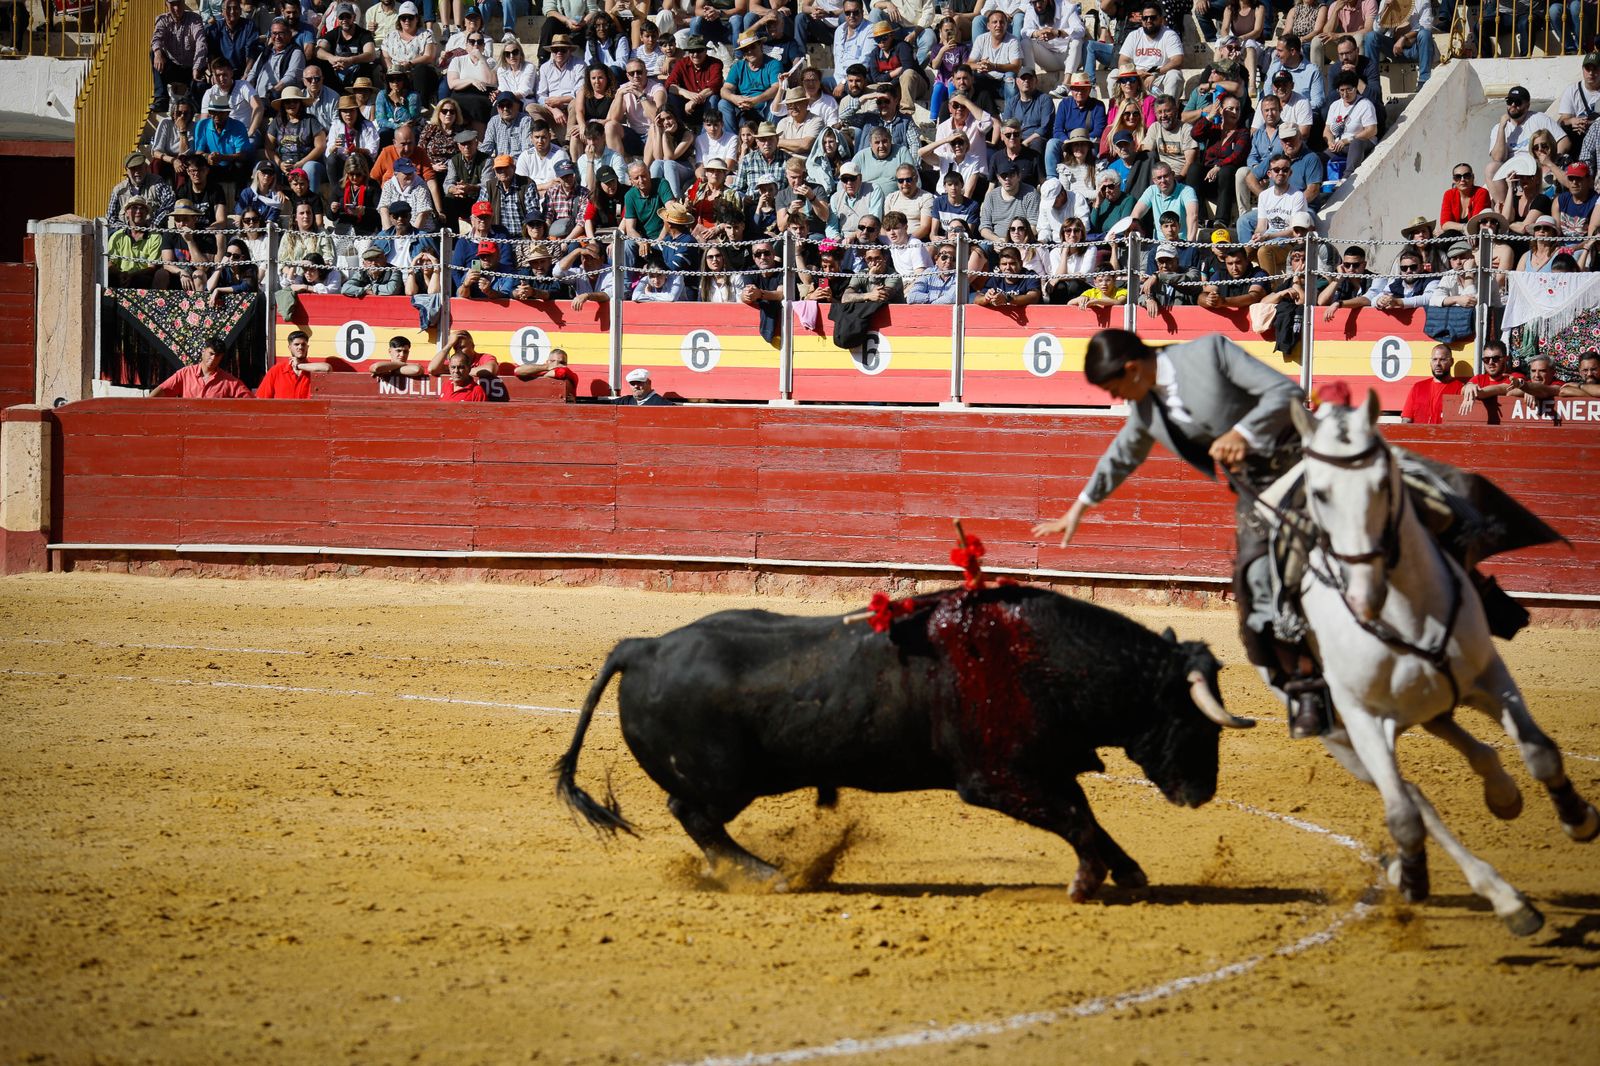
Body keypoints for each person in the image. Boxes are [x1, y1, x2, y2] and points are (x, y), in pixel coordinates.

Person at [1031, 328, 1326, 737]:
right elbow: (1121, 455)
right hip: (1255, 488)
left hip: (1306, 460)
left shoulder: (1208, 352)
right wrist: (1078, 508)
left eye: (1114, 389)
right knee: (1256, 582)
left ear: (1132, 369)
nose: (1116, 398)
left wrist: (1241, 432)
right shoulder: (1148, 408)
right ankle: (1308, 689)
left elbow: (1285, 392)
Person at [151, 336, 254, 398]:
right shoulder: (185, 374)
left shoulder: (229, 382)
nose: (213, 358)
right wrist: (144, 407)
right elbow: (163, 390)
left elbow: (251, 403)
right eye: (211, 353)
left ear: (221, 357)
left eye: (217, 356)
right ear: (203, 351)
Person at [1399, 344, 1464, 424]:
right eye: (1434, 359)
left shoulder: (1459, 388)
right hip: (1418, 432)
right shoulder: (1418, 387)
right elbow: (1406, 419)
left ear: (1451, 362)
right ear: (1430, 362)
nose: (1438, 363)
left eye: (1442, 359)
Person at [255, 329, 331, 398]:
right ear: (290, 347)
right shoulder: (277, 370)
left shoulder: (314, 370)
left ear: (307, 347)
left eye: (303, 344)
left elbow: (327, 368)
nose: (300, 347)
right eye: (296, 344)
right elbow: (261, 398)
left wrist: (298, 366)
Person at [1458, 339, 1525, 413]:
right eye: (1486, 359)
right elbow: (1464, 390)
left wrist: (1478, 392)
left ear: (1506, 359)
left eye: (1495, 359)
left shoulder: (1515, 377)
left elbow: (1502, 388)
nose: (1490, 363)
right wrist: (1468, 386)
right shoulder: (1479, 379)